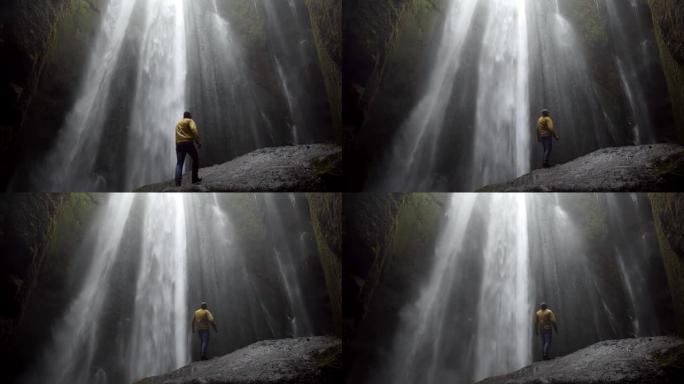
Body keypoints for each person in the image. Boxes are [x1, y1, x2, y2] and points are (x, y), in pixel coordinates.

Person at [175, 111, 202, 186]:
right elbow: (194, 130)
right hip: (188, 143)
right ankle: (194, 179)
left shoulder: (178, 123)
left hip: (179, 144)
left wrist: (177, 145)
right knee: (195, 159)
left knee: (179, 163)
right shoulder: (190, 121)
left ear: (183, 116)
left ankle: (177, 184)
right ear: (190, 116)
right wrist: (198, 142)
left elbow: (176, 135)